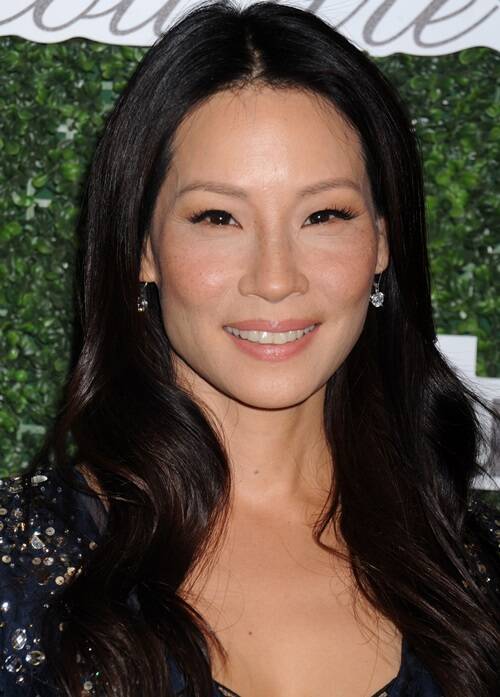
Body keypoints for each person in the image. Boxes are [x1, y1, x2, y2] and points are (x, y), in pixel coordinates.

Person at [0, 1, 499, 695]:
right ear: (143, 249)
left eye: (324, 215)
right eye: (218, 217)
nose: (275, 279)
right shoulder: (18, 567)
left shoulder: (475, 569)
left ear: (381, 243)